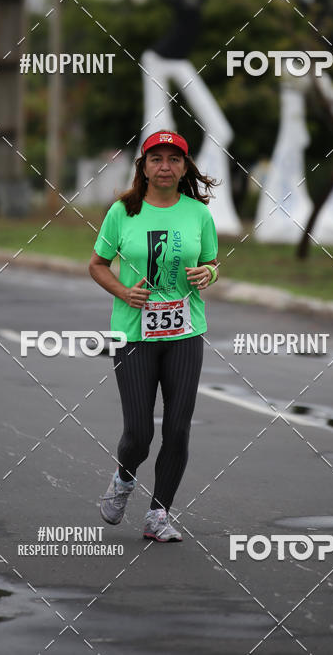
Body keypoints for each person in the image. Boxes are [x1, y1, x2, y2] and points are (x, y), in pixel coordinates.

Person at [89, 130, 220, 542]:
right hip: (132, 336)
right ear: (143, 167)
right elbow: (97, 264)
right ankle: (124, 478)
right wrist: (124, 292)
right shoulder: (122, 212)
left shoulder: (198, 214)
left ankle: (158, 515)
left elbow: (212, 262)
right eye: (157, 159)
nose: (166, 166)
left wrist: (209, 273)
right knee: (139, 434)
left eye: (174, 160)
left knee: (178, 428)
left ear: (185, 168)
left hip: (185, 332)